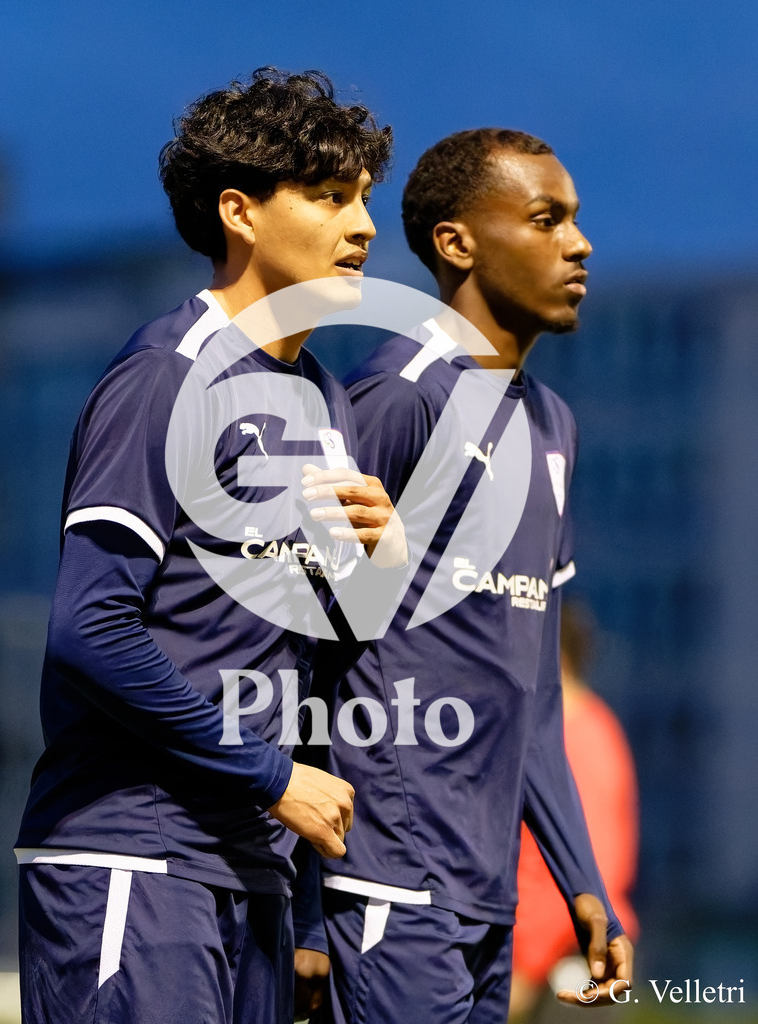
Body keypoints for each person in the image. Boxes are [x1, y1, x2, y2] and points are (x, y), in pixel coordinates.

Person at [14, 68, 397, 1024]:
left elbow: (300, 660)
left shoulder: (324, 400)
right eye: (328, 195)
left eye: (363, 199)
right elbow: (90, 630)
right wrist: (272, 780)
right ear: (240, 212)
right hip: (130, 859)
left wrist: (380, 569)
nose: (363, 226)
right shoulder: (162, 380)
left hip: (253, 879)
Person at [300, 127, 635, 1023]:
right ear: (457, 244)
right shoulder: (398, 395)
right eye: (545, 219)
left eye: (575, 220)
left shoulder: (553, 425)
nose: (579, 242)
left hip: (489, 894)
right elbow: (298, 634)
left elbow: (534, 689)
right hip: (384, 880)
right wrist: (297, 895)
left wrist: (580, 881)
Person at [509, 602, 639, 1021]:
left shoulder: (567, 737)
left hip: (565, 967)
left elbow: (587, 866)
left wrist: (526, 968)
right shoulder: (601, 726)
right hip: (573, 957)